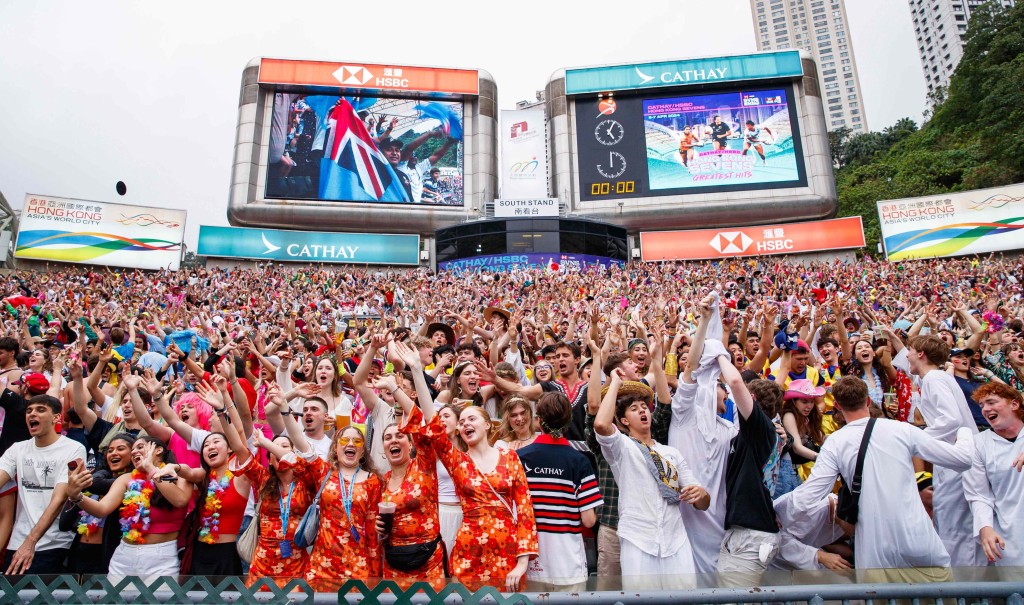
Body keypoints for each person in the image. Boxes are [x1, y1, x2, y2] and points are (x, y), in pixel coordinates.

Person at [790, 376, 975, 583]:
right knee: (938, 596)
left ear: (838, 407)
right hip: (917, 541)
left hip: (874, 551)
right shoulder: (901, 429)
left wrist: (776, 512)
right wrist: (965, 431)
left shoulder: (835, 442)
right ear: (868, 401)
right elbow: (963, 459)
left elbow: (810, 495)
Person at [594, 369, 709, 587]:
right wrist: (615, 382)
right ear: (624, 421)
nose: (642, 410)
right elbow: (601, 425)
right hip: (638, 539)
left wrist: (701, 494)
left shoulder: (671, 453)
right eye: (634, 409)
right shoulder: (622, 448)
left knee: (685, 598)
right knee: (642, 599)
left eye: (644, 407)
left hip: (676, 540)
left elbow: (702, 503)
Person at [421, 392, 538, 591]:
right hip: (469, 551)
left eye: (472, 419)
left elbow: (525, 508)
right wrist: (416, 374)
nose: (465, 424)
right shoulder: (458, 461)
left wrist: (522, 562)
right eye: (461, 422)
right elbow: (433, 424)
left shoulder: (509, 457)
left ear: (487, 425)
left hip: (507, 550)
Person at [64, 436, 191, 580]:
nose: (134, 452)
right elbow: (101, 509)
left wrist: (151, 469)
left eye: (140, 447)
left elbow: (180, 500)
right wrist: (76, 496)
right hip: (124, 556)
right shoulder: (126, 479)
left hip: (162, 558)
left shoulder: (179, 475)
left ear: (158, 450)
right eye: (133, 450)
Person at [906, 335, 982, 567]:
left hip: (956, 460)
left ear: (920, 354)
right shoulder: (935, 378)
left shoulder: (934, 379)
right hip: (952, 459)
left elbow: (951, 419)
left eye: (910, 350)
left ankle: (963, 584)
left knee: (955, 528)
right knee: (954, 525)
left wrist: (914, 440)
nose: (907, 355)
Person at [517, 392, 602, 588]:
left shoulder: (519, 457)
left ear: (539, 421)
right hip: (568, 564)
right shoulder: (580, 461)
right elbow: (589, 520)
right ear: (568, 422)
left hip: (529, 561)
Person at [0, 394, 86, 574]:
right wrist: (25, 543)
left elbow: (59, 500)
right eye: (29, 411)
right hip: (17, 543)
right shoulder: (17, 449)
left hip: (53, 543)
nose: (32, 414)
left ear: (56, 417)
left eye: (40, 410)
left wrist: (31, 542)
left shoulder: (73, 448)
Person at [58, 432, 137, 574]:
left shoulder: (132, 484)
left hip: (108, 558)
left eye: (120, 449)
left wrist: (89, 483)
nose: (113, 453)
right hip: (79, 555)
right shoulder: (93, 485)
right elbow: (64, 524)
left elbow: (100, 484)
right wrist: (75, 493)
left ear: (133, 454)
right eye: (110, 450)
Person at [964, 383, 1024, 567]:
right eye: (982, 405)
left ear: (1014, 404)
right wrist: (985, 528)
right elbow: (979, 494)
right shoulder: (978, 444)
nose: (985, 409)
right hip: (1009, 535)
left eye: (991, 402)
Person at [776, 379, 826, 497]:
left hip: (793, 470)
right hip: (784, 472)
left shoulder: (807, 418)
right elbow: (797, 448)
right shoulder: (789, 415)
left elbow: (821, 438)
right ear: (794, 401)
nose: (809, 406)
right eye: (804, 402)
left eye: (812, 402)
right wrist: (821, 457)